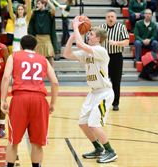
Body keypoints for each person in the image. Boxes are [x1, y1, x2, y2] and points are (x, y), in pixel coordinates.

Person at [63, 18, 118, 163]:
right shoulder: (87, 52)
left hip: (104, 93)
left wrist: (75, 26)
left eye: (91, 34)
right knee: (83, 123)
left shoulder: (101, 50)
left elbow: (81, 45)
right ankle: (98, 149)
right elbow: (66, 54)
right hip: (93, 92)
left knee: (94, 124)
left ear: (98, 39)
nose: (88, 35)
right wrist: (71, 37)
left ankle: (110, 151)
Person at [0, 34, 59, 167]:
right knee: (37, 143)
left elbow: (5, 78)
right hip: (39, 100)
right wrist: (53, 103)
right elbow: (55, 82)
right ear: (36, 47)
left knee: (13, 141)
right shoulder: (43, 59)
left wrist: (3, 100)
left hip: (20, 99)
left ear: (20, 46)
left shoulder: (14, 56)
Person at [99, 10, 129, 111]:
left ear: (115, 18)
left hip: (116, 57)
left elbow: (126, 42)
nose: (110, 18)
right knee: (104, 81)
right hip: (104, 57)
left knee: (116, 81)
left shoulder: (121, 27)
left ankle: (115, 103)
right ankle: (104, 102)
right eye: (108, 17)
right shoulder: (101, 28)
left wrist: (115, 43)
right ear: (106, 18)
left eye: (112, 16)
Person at [28, 0, 58, 68]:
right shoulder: (35, 13)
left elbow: (54, 9)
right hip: (38, 38)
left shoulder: (48, 13)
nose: (37, 5)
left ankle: (52, 71)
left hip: (47, 38)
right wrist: (28, 2)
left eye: (38, 4)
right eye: (36, 4)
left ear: (43, 4)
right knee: (37, 57)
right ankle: (38, 71)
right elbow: (28, 12)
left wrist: (48, 1)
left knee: (50, 55)